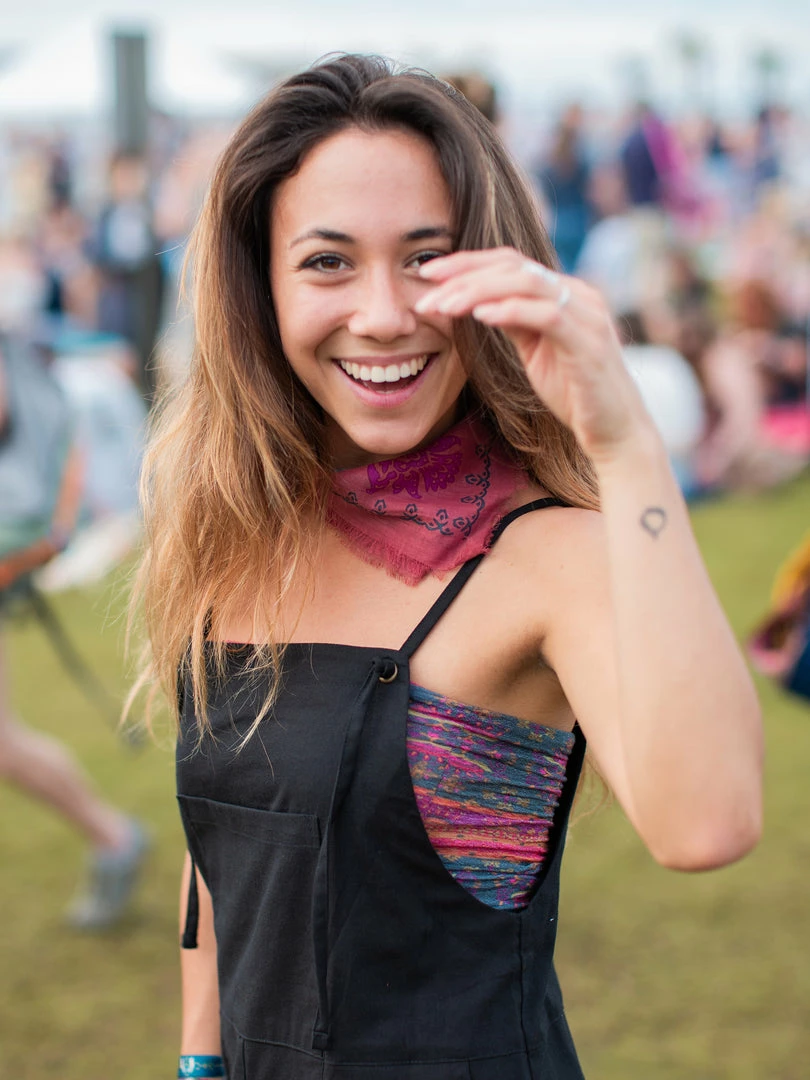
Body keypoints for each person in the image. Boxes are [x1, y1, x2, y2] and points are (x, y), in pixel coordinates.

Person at [135, 55, 763, 1080]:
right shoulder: (240, 531)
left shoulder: (547, 551)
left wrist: (627, 448)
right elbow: (231, 846)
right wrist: (199, 1062)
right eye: (328, 262)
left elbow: (708, 821)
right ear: (259, 287)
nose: (385, 313)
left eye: (428, 259)